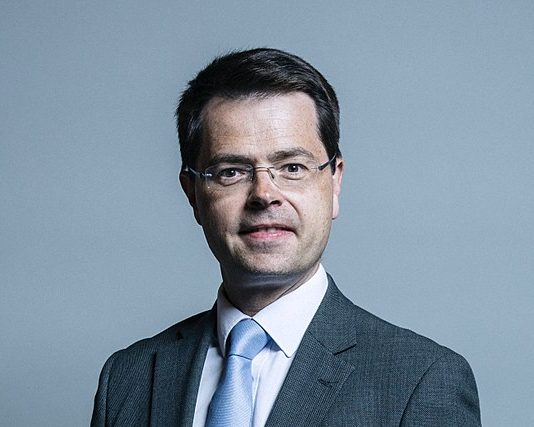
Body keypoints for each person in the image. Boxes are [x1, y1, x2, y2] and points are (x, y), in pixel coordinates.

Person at [91, 48, 481, 426]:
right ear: (192, 193)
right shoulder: (128, 378)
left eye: (292, 167)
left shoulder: (421, 381)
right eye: (231, 172)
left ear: (334, 182)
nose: (264, 194)